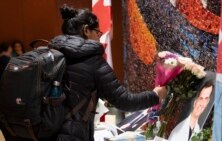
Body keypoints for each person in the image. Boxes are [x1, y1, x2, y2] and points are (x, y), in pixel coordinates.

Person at [49, 5, 167, 141]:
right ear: (86, 30)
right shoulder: (92, 60)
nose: (99, 37)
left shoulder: (52, 54)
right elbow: (124, 101)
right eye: (98, 32)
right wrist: (155, 95)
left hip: (46, 132)